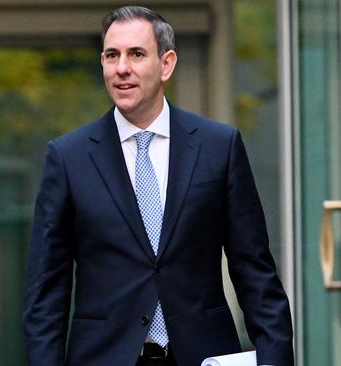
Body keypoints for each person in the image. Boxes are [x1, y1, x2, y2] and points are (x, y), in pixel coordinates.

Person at [23, 5, 293, 366]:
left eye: (136, 54)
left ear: (166, 64)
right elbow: (46, 291)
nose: (122, 68)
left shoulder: (218, 147)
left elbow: (255, 273)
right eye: (111, 55)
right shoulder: (68, 157)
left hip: (203, 357)